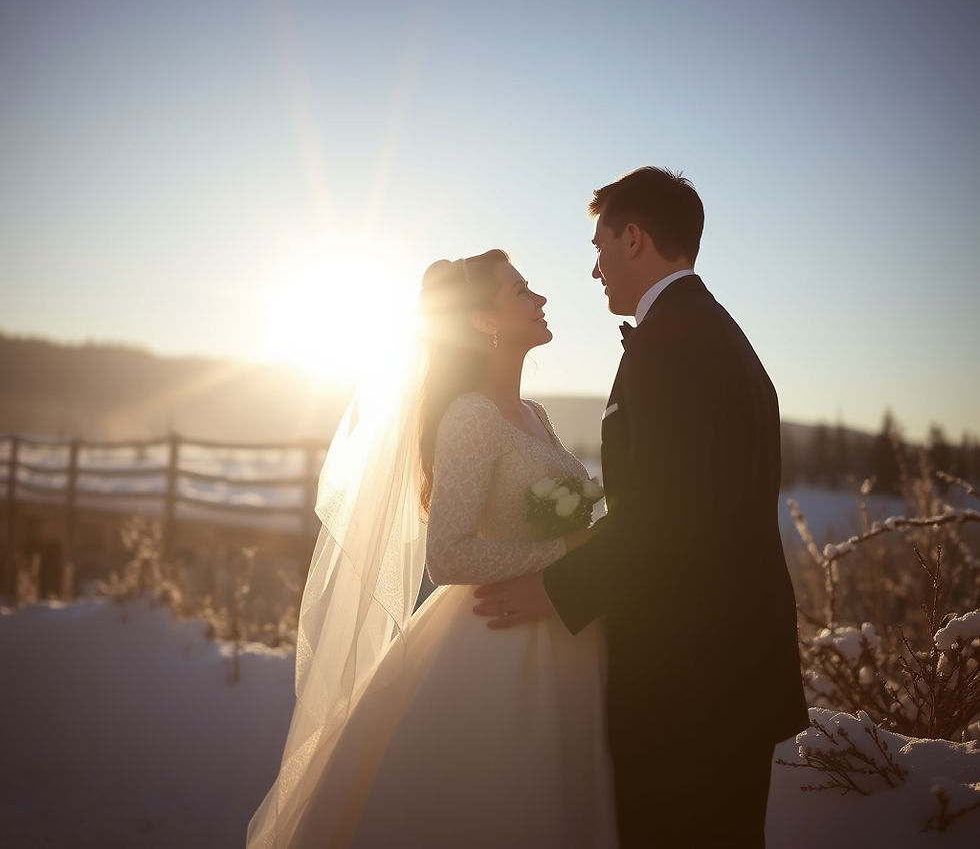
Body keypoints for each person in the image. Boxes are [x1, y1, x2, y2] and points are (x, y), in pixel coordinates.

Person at [474, 168, 810, 848]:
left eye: (598, 246)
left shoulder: (672, 347)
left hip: (686, 686)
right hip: (728, 675)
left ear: (633, 239)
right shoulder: (718, 335)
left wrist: (557, 588)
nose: (594, 269)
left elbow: (668, 515)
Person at [247, 250, 618, 848]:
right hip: (500, 643)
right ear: (483, 321)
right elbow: (447, 556)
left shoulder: (534, 413)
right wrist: (565, 551)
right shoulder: (470, 415)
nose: (540, 299)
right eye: (522, 290)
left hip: (563, 632)